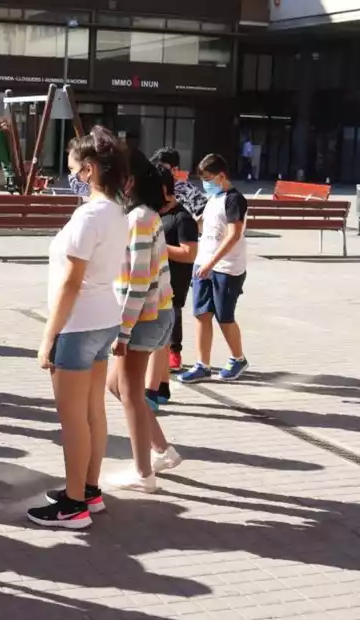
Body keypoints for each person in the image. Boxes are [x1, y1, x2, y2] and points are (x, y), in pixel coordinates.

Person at [29, 127, 130, 530]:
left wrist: (48, 337)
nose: (68, 175)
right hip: (104, 319)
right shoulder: (118, 211)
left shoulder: (89, 215)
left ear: (88, 170)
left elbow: (71, 282)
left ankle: (74, 506)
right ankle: (88, 490)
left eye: (72, 168)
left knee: (72, 419)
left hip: (78, 324)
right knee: (91, 412)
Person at [104, 153, 176, 494]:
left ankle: (144, 474)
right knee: (117, 386)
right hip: (153, 314)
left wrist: (123, 330)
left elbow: (138, 281)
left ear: (129, 181)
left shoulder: (140, 218)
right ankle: (162, 450)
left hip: (144, 317)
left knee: (130, 391)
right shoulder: (141, 215)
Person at [179, 154, 250, 384]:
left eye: (209, 178)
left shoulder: (234, 199)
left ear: (221, 176)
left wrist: (211, 263)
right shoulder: (213, 198)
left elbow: (233, 235)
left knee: (224, 316)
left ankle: (238, 358)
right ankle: (203, 364)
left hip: (226, 268)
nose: (205, 183)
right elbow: (205, 227)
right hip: (203, 264)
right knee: (201, 314)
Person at [146, 166, 198, 405]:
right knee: (159, 342)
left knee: (161, 340)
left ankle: (156, 389)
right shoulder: (155, 212)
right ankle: (162, 386)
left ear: (165, 189)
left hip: (173, 286)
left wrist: (158, 247)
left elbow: (189, 254)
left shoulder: (182, 218)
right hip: (153, 284)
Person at [150, 147, 208, 218]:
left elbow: (206, 215)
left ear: (174, 170)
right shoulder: (150, 187)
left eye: (163, 168)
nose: (159, 171)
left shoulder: (188, 191)